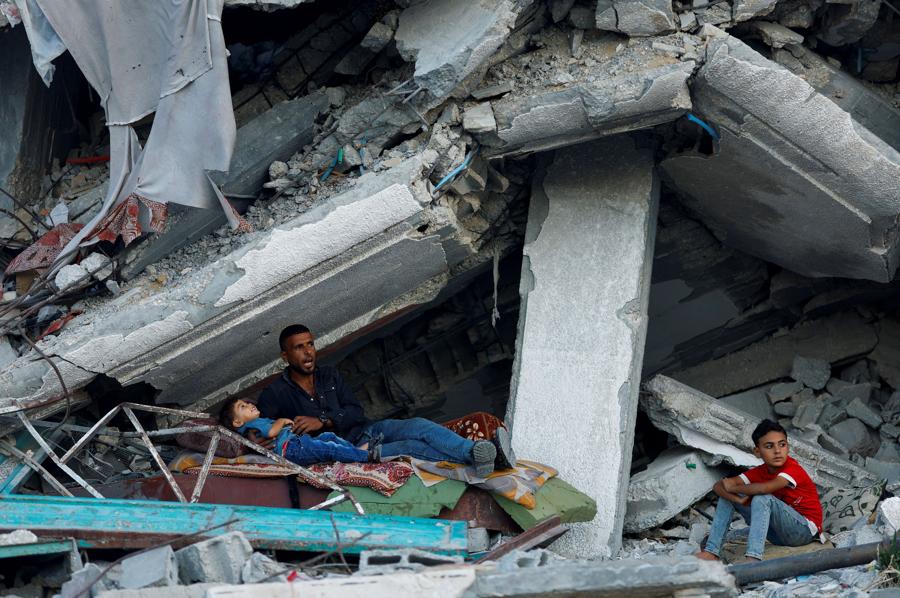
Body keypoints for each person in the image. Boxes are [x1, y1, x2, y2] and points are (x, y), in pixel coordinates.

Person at [255, 324, 516, 477]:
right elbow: (265, 437)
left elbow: (356, 411)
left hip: (365, 430)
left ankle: (475, 453)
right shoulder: (275, 394)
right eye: (299, 347)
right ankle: (483, 463)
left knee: (418, 425)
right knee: (410, 446)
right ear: (285, 355)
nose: (308, 352)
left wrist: (323, 420)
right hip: (351, 452)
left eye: (310, 344)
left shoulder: (329, 375)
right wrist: (276, 433)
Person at [696, 419, 822, 562]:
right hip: (777, 534)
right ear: (757, 452)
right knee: (728, 495)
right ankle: (712, 551)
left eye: (782, 444)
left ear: (787, 447)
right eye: (769, 446)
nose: (777, 451)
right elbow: (718, 486)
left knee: (762, 497)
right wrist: (738, 498)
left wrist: (733, 487)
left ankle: (753, 558)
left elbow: (764, 488)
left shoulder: (792, 468)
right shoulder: (760, 471)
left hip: (803, 532)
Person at [219, 396, 381, 466]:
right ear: (237, 422)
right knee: (328, 449)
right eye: (243, 407)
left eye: (246, 403)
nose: (249, 405)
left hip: (296, 443)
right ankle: (366, 457)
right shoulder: (253, 426)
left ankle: (355, 451)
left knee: (328, 436)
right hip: (292, 449)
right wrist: (281, 421)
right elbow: (270, 433)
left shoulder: (254, 422)